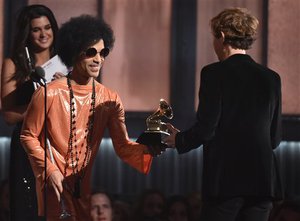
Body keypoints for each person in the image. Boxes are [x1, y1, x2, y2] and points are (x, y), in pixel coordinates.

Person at [20, 15, 160, 221]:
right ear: (75, 53)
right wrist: (49, 170)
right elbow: (28, 136)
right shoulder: (47, 93)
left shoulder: (110, 99)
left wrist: (149, 148)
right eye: (91, 52)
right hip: (54, 187)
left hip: (83, 190)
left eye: (103, 52)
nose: (98, 59)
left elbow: (122, 146)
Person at [164, 7, 282, 221]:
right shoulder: (271, 78)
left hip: (225, 179)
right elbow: (274, 139)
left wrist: (179, 140)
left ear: (222, 36)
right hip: (264, 180)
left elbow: (206, 128)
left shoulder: (213, 73)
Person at [0, 4, 59, 220]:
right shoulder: (14, 64)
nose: (44, 34)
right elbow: (8, 116)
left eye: (47, 27)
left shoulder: (67, 61)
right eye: (36, 29)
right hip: (28, 145)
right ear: (28, 32)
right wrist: (44, 107)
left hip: (61, 143)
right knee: (28, 207)